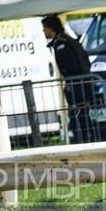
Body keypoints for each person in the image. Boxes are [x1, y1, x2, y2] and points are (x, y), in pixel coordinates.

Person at [41, 13, 96, 143]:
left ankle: (85, 141)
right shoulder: (65, 40)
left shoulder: (62, 44)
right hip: (81, 84)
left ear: (51, 28)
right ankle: (88, 140)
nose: (43, 31)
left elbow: (71, 67)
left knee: (80, 116)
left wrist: (70, 85)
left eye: (44, 27)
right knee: (82, 116)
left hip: (78, 85)